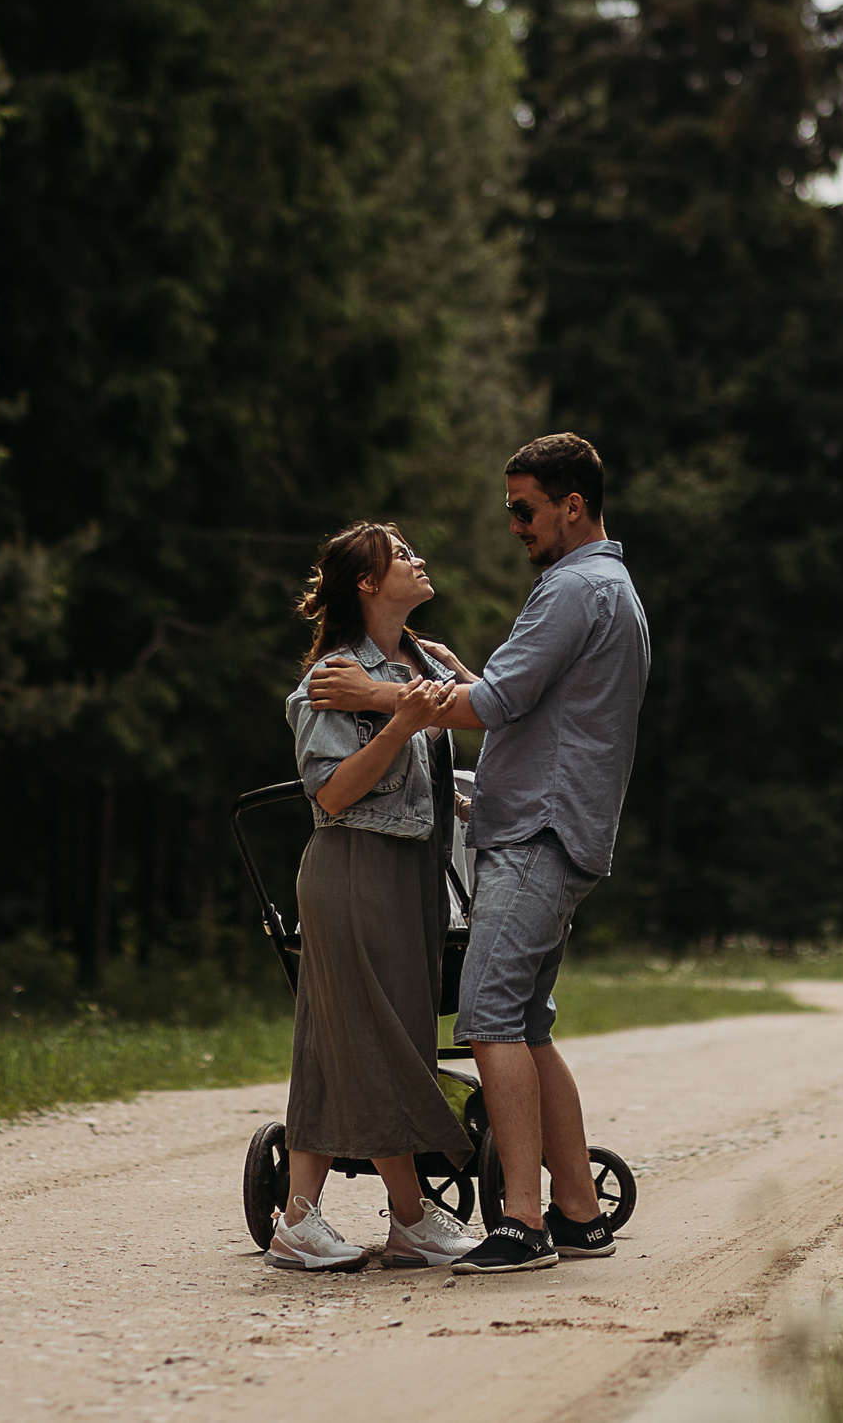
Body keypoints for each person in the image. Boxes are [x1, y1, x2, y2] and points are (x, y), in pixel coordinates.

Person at [308, 433, 649, 1274]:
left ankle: (522, 1223)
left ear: (573, 505)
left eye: (524, 509)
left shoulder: (573, 589)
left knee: (491, 1017)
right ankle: (576, 1211)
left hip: (539, 833)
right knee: (528, 1026)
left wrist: (375, 693)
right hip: (559, 827)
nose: (514, 525)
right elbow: (538, 710)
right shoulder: (612, 587)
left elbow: (496, 703)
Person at [269, 521, 484, 1273]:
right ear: (366, 582)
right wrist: (396, 724)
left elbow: (486, 713)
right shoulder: (332, 676)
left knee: (335, 1040)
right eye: (402, 555)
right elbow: (330, 794)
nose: (419, 559)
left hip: (410, 872)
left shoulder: (426, 661)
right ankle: (411, 1214)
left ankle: (299, 1219)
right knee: (385, 1033)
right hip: (354, 868)